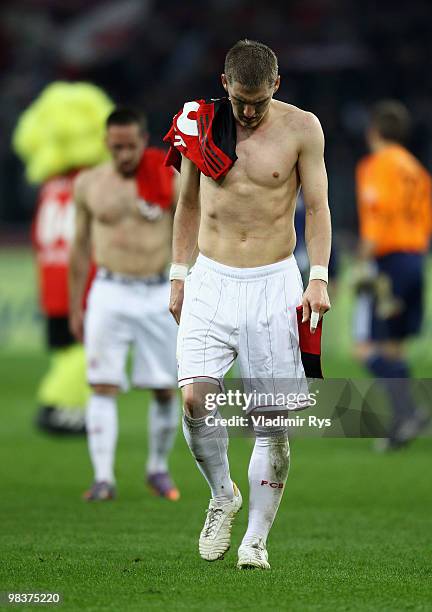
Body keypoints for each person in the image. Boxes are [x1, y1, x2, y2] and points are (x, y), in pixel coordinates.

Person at [165, 39, 331, 569]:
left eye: (258, 101)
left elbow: (319, 207)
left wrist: (319, 277)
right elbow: (188, 202)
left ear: (276, 86)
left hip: (274, 281)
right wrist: (177, 272)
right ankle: (222, 494)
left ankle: (255, 540)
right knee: (194, 399)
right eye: (240, 101)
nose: (249, 111)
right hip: (210, 276)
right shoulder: (199, 123)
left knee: (271, 420)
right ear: (225, 85)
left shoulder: (303, 129)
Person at [69, 107, 180, 501]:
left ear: (144, 140)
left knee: (165, 388)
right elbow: (80, 247)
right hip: (109, 290)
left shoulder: (168, 176)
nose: (125, 155)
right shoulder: (89, 184)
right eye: (116, 147)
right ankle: (103, 478)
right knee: (102, 384)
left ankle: (158, 468)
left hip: (156, 290)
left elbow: (190, 228)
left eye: (131, 146)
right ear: (106, 143)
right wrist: (75, 305)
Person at [12, 82, 113, 435]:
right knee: (86, 352)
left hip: (51, 281)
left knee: (65, 350)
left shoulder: (49, 187)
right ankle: (58, 406)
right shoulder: (93, 183)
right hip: (83, 281)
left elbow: (40, 239)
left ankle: (67, 407)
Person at [353, 100, 432, 450]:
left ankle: (410, 411)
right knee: (394, 348)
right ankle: (402, 423)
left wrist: (363, 259)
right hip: (416, 260)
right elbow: (429, 222)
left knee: (365, 346)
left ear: (373, 130)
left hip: (388, 264)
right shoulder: (416, 168)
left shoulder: (377, 165)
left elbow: (378, 212)